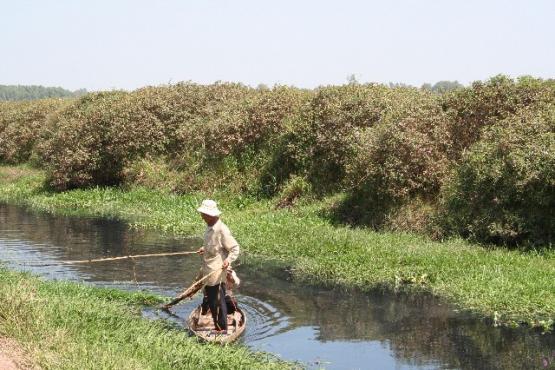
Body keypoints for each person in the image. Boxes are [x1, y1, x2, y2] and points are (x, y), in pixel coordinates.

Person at [196, 199, 240, 333]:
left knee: (218, 300)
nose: (202, 216)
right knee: (211, 299)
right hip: (208, 270)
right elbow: (215, 246)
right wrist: (205, 249)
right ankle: (218, 325)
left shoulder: (222, 229)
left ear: (211, 215)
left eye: (204, 214)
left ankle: (222, 329)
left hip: (217, 271)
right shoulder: (210, 227)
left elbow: (234, 248)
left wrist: (228, 260)